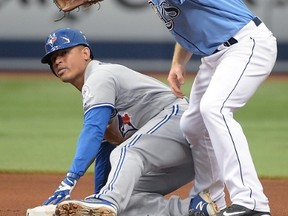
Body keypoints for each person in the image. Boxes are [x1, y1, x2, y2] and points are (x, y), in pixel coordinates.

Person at [41, 27, 221, 216]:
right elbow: (103, 148)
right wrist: (100, 200)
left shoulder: (99, 77)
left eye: (64, 53)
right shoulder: (94, 92)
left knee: (127, 152)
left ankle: (108, 199)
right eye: (52, 59)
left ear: (85, 53)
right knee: (124, 199)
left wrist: (70, 179)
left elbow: (92, 131)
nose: (58, 61)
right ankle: (193, 210)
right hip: (182, 155)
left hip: (182, 123)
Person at [147, 1, 278, 215]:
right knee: (192, 125)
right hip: (216, 56)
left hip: (246, 43)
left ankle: (252, 202)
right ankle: (211, 201)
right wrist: (178, 62)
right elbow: (189, 21)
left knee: (215, 108)